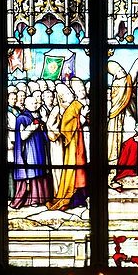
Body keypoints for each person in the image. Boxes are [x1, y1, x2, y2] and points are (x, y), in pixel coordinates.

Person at [47, 82, 89, 211]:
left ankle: (81, 197)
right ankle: (69, 197)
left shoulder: (75, 105)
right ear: (61, 97)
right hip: (64, 144)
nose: (69, 95)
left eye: (70, 92)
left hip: (78, 142)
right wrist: (81, 119)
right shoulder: (60, 109)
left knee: (79, 169)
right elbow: (63, 128)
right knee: (69, 171)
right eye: (66, 94)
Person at [10, 93, 52, 208]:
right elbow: (22, 136)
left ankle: (41, 198)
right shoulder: (21, 118)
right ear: (26, 104)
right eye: (32, 103)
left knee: (39, 172)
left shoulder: (38, 117)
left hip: (39, 148)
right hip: (29, 149)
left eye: (36, 103)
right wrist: (32, 127)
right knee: (32, 172)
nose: (35, 105)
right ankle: (31, 200)